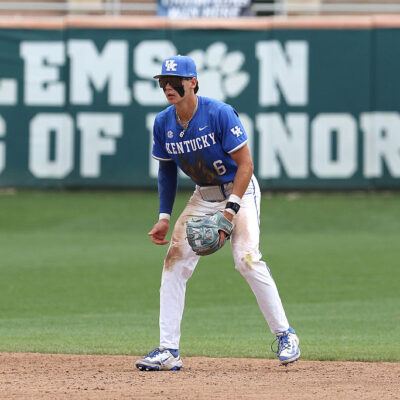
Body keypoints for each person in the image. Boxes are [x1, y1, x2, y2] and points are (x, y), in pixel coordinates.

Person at [135, 55, 300, 371]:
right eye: (163, 82)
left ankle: (285, 334)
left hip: (240, 191)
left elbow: (246, 165)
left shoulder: (219, 114)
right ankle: (169, 350)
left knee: (246, 259)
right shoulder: (163, 123)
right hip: (203, 196)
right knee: (174, 259)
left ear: (193, 82)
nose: (168, 87)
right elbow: (166, 170)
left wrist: (230, 211)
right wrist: (164, 216)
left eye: (175, 81)